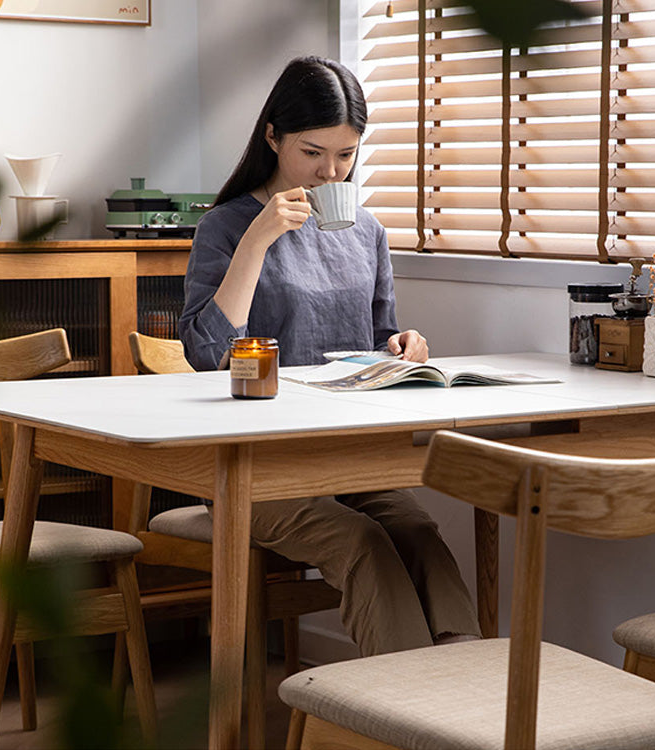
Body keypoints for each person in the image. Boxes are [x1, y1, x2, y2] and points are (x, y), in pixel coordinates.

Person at [179, 55, 480, 655]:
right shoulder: (226, 227)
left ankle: (462, 698)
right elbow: (207, 351)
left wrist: (403, 348)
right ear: (273, 136)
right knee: (362, 543)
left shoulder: (364, 231)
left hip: (347, 454)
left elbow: (375, 345)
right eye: (312, 152)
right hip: (254, 464)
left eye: (346, 155)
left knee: (419, 532)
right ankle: (395, 717)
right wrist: (260, 236)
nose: (329, 172)